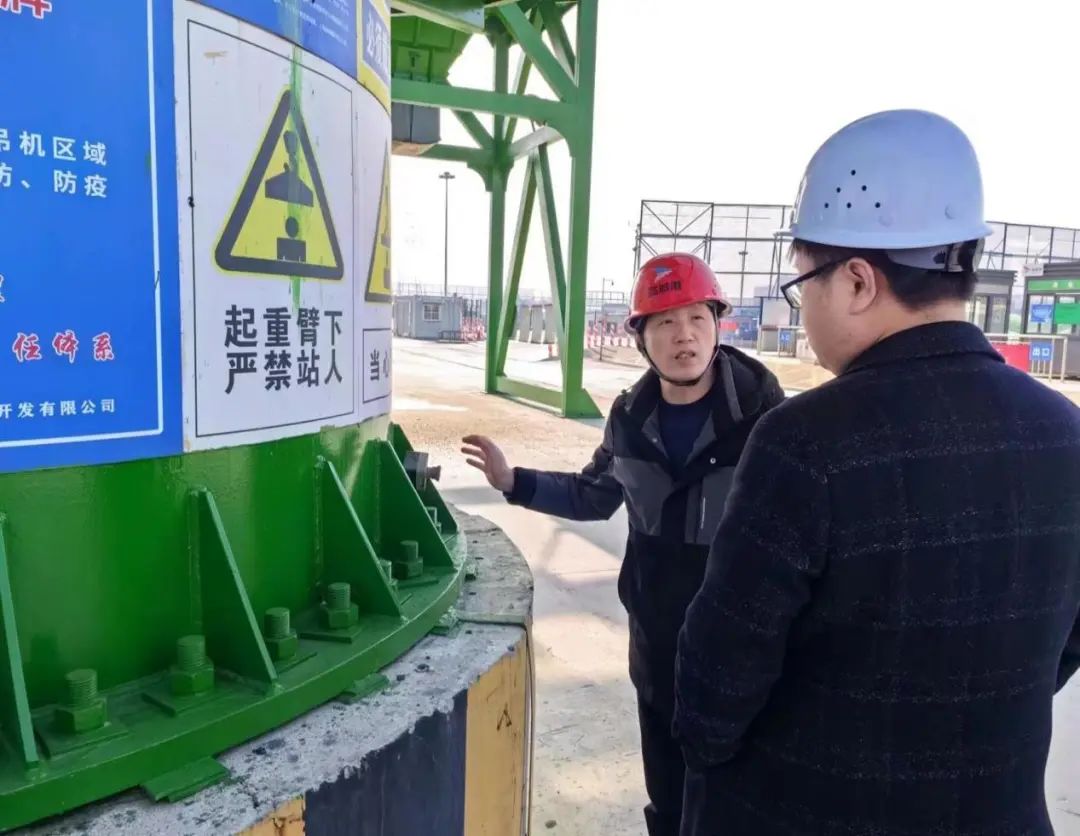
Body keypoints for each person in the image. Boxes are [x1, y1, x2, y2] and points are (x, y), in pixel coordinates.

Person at [673, 109, 1080, 836]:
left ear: (858, 281)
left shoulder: (804, 443)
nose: (803, 308)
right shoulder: (1067, 434)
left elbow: (714, 689)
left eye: (805, 282)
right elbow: (1064, 647)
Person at [462, 253, 785, 836]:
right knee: (666, 782)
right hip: (657, 632)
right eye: (666, 322)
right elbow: (593, 495)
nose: (684, 335)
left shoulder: (764, 413)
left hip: (741, 633)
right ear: (641, 337)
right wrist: (515, 482)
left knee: (739, 787)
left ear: (718, 324)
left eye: (697, 317)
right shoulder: (631, 419)